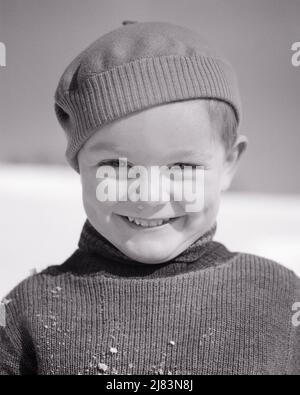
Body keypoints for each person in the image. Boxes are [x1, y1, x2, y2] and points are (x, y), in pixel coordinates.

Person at [0, 21, 299, 375]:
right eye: (116, 164)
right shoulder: (27, 312)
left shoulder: (280, 301)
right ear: (78, 163)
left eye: (183, 165)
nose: (149, 195)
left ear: (229, 163)